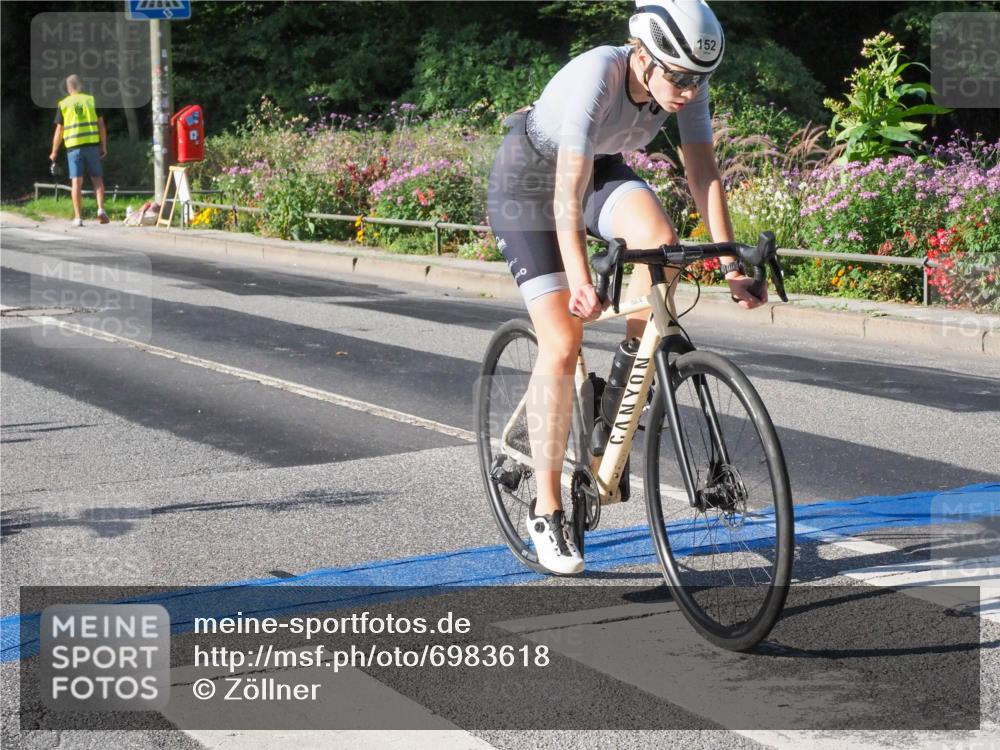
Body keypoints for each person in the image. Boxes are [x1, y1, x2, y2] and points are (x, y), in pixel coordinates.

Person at [486, 0, 766, 575]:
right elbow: (566, 196)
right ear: (643, 55)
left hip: (597, 169)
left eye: (700, 80)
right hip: (531, 180)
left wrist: (731, 262)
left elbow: (703, 172)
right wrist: (582, 281)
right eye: (679, 78)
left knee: (661, 243)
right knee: (562, 341)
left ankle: (616, 395)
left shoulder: (683, 80)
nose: (688, 91)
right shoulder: (598, 75)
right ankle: (547, 509)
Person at [49, 74, 110, 227]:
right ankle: (101, 209)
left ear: (69, 88)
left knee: (76, 181)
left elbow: (59, 131)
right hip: (91, 146)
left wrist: (54, 151)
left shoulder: (63, 104)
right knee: (97, 179)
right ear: (81, 86)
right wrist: (103, 145)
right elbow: (101, 125)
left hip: (74, 148)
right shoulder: (91, 100)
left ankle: (78, 218)